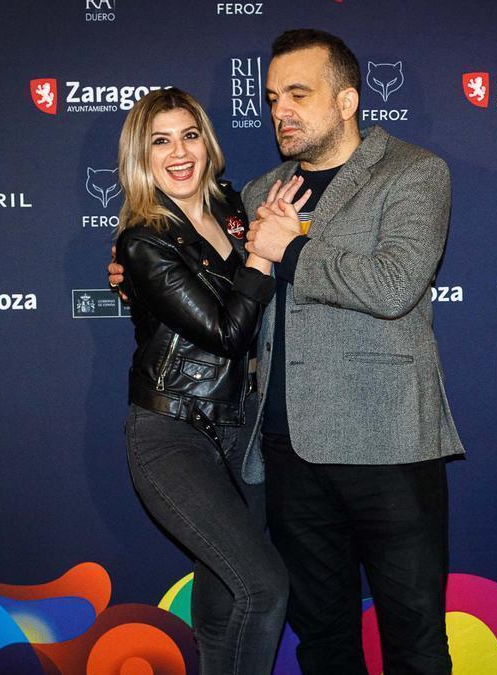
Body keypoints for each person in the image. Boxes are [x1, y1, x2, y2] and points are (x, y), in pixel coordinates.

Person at [109, 30, 464, 673]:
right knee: (323, 638)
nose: (280, 111)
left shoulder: (414, 172)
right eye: (273, 98)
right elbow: (213, 276)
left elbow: (394, 285)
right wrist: (137, 273)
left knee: (414, 638)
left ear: (348, 99)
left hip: (388, 444)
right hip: (286, 453)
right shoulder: (259, 192)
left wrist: (290, 248)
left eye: (298, 94)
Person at [112, 88, 309, 674]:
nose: (179, 152)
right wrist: (262, 257)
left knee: (225, 607)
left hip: (238, 435)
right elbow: (226, 332)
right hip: (171, 434)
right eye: (161, 141)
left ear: (208, 141)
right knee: (265, 585)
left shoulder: (232, 206)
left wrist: (264, 241)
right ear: (140, 157)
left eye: (189, 135)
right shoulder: (143, 241)